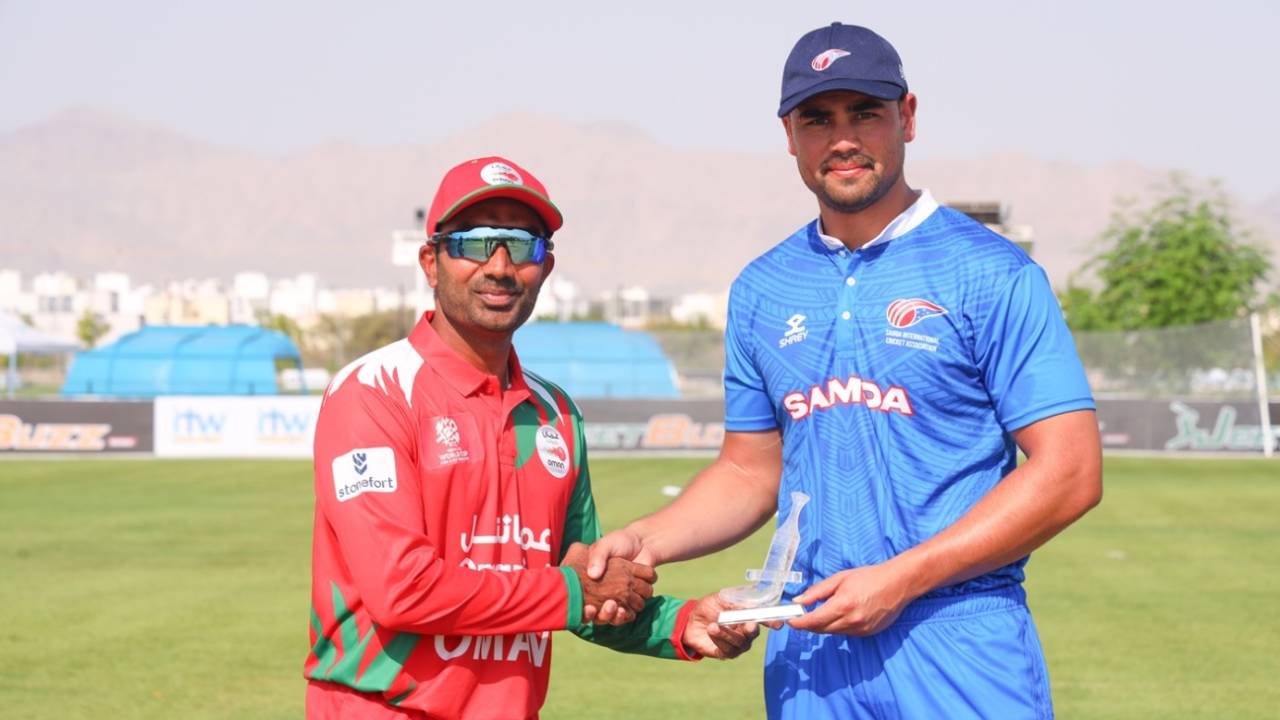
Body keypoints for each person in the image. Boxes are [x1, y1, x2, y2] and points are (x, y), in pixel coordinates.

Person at [587, 23, 1103, 719]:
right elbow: (749, 472)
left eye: (865, 113)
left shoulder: (991, 272)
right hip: (811, 640)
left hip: (957, 634)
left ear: (907, 118)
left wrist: (903, 579)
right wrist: (645, 541)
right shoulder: (763, 287)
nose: (843, 139)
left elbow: (1070, 471)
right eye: (818, 119)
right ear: (789, 134)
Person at [305, 156, 756, 719]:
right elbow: (402, 589)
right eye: (474, 243)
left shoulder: (556, 414)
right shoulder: (374, 392)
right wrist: (575, 592)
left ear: (545, 267)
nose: (499, 267)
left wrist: (684, 624)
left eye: (522, 246)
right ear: (430, 262)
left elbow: (584, 584)